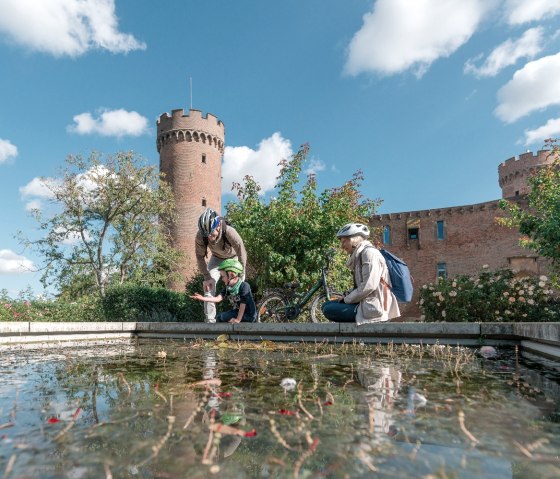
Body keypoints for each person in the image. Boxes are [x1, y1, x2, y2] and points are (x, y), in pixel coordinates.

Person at [322, 222, 400, 324]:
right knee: (326, 305)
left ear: (354, 239)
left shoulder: (369, 253)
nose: (342, 246)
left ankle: (361, 330)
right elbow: (361, 286)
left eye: (344, 241)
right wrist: (347, 295)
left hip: (375, 307)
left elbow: (369, 285)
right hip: (365, 302)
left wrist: (346, 300)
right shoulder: (360, 255)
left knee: (328, 309)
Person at [195, 208, 247, 323]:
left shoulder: (230, 232)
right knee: (208, 286)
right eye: (206, 235)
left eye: (211, 234)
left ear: (218, 226)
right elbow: (199, 256)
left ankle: (241, 317)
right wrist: (206, 276)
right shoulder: (200, 236)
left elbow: (242, 252)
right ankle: (210, 321)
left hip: (233, 258)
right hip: (217, 259)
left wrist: (241, 273)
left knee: (240, 287)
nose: (209, 237)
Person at [190, 259, 256, 323]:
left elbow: (242, 305)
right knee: (219, 317)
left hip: (248, 315)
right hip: (237, 312)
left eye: (223, 276)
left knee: (223, 317)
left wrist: (238, 320)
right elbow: (218, 299)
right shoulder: (228, 288)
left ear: (231, 275)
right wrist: (202, 298)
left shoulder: (244, 286)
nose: (222, 279)